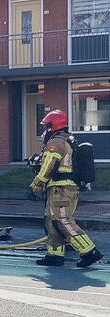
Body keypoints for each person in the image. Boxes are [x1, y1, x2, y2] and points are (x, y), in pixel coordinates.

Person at [30, 110, 102, 268]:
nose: (45, 129)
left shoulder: (55, 142)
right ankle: (54, 255)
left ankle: (89, 251)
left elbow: (49, 166)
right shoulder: (66, 140)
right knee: (52, 221)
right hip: (60, 188)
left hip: (62, 189)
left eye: (46, 126)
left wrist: (36, 184)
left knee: (62, 221)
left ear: (52, 125)